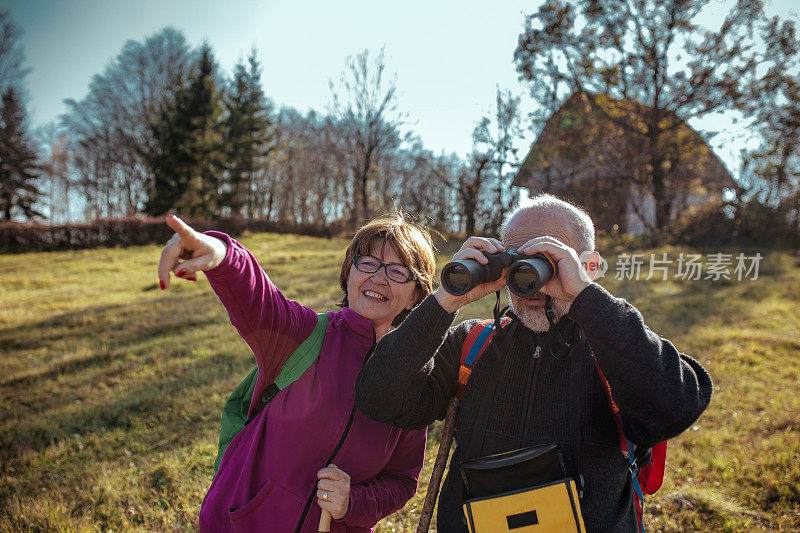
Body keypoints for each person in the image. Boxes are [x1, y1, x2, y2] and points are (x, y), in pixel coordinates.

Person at [355, 194, 713, 532]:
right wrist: (444, 301)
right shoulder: (473, 344)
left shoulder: (614, 345)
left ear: (587, 266)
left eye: (550, 263)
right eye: (517, 261)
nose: (532, 283)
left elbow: (674, 406)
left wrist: (587, 299)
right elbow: (378, 396)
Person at [156, 212, 436, 532]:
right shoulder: (304, 334)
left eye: (398, 271)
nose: (380, 278)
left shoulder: (410, 381)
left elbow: (402, 480)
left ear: (415, 296)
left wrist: (352, 502)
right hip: (245, 521)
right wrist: (221, 254)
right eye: (368, 263)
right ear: (349, 273)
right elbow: (259, 299)